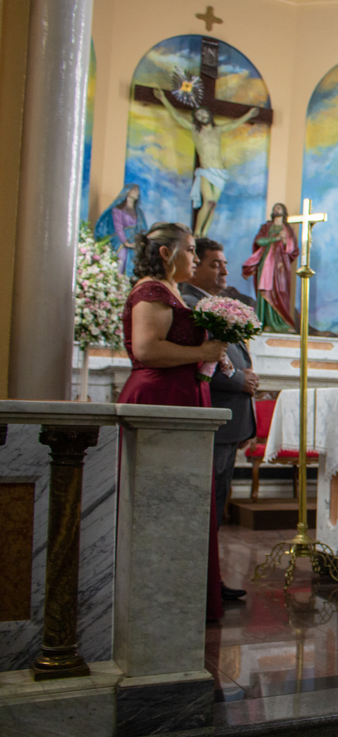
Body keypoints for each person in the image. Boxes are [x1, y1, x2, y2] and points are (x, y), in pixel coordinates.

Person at [117, 222, 228, 621]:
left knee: (184, 498)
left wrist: (211, 353)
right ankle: (154, 598)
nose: (195, 258)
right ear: (166, 253)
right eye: (190, 250)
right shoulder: (151, 290)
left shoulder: (171, 291)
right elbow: (147, 349)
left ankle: (178, 593)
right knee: (159, 498)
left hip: (180, 395)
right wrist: (203, 349)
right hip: (159, 396)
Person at [180, 237, 259, 603]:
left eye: (226, 264)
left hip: (230, 422)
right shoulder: (192, 304)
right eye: (216, 264)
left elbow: (232, 354)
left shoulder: (214, 304)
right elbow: (206, 362)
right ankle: (199, 584)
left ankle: (210, 581)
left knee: (218, 507)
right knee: (205, 506)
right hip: (214, 415)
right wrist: (242, 381)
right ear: (195, 265)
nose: (225, 270)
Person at [152, 89, 259, 237]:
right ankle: (197, 232)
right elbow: (176, 116)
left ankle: (204, 234)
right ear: (196, 119)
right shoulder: (196, 131)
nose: (202, 116)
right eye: (198, 115)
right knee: (208, 201)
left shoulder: (217, 130)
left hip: (220, 172)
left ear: (209, 115)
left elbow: (234, 123)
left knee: (213, 205)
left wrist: (248, 115)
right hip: (206, 170)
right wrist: (163, 99)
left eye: (204, 113)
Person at [242, 203, 299, 332]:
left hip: (281, 266)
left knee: (281, 290)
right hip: (266, 263)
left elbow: (293, 250)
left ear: (284, 211)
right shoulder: (266, 227)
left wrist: (284, 241)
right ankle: (265, 321)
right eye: (275, 208)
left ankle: (281, 322)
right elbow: (259, 242)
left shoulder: (288, 229)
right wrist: (275, 239)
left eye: (279, 208)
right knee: (266, 290)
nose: (276, 209)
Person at [94, 183, 148, 279]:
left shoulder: (138, 212)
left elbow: (142, 228)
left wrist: (140, 243)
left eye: (138, 191)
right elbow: (118, 227)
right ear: (128, 191)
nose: (137, 193)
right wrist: (126, 243)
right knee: (120, 264)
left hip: (135, 243)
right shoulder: (117, 210)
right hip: (121, 243)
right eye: (135, 190)